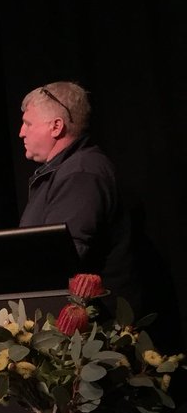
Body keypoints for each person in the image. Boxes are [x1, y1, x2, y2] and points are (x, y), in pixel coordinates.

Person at [17, 80, 138, 309]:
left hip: (89, 321)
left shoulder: (81, 173)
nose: (21, 132)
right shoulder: (64, 171)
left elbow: (61, 257)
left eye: (28, 123)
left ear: (56, 126)